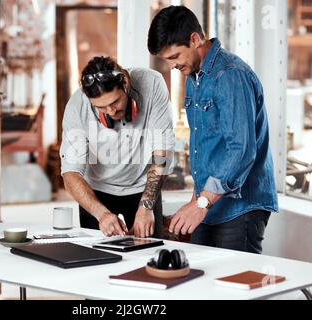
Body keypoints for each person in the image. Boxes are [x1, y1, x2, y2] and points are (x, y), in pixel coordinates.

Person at [147, 5, 278, 253]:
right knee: (200, 281)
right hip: (209, 205)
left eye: (175, 56)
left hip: (241, 207)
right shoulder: (194, 77)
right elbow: (209, 148)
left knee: (236, 286)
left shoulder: (230, 75)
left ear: (195, 39)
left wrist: (202, 202)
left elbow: (241, 150)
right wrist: (195, 201)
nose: (173, 65)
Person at [60, 56, 174, 238]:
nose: (111, 112)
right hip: (96, 192)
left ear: (126, 83)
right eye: (101, 107)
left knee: (150, 253)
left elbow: (162, 154)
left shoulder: (151, 84)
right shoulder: (77, 106)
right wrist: (101, 214)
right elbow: (70, 174)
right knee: (98, 258)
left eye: (115, 102)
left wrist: (147, 206)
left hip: (142, 187)